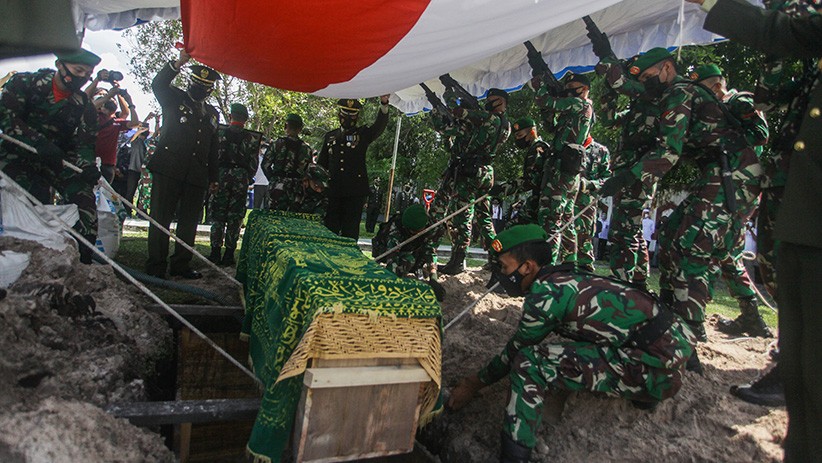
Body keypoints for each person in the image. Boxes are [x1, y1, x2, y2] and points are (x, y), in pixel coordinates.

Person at [686, 0, 821, 458]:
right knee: (772, 273)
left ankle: (779, 353)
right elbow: (778, 85)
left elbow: (757, 111)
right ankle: (771, 341)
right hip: (784, 185)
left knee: (727, 256)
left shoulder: (737, 102)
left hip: (750, 187)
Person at [447, 224, 695, 463]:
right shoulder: (566, 278)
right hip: (669, 349)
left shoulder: (545, 294)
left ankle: (514, 454)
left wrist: (472, 384)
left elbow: (515, 350)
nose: (501, 274)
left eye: (504, 267)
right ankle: (644, 390)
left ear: (527, 267)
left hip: (659, 368)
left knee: (530, 362)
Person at [599, 48, 761, 364]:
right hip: (718, 171)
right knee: (672, 237)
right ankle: (670, 312)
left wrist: (623, 179)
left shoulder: (680, 90)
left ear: (667, 68)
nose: (646, 85)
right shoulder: (675, 92)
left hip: (736, 174)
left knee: (692, 247)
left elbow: (668, 151)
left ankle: (689, 337)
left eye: (648, 77)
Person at [690, 63, 772, 338]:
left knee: (705, 246)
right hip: (731, 187)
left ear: (715, 86)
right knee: (727, 253)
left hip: (737, 189)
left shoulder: (738, 100)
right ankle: (752, 317)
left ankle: (694, 319)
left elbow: (761, 132)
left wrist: (727, 133)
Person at [0, 48, 102, 264]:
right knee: (32, 197)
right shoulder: (24, 83)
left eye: (88, 73)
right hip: (15, 157)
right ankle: (26, 260)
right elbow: (7, 120)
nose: (82, 77)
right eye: (78, 70)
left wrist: (88, 167)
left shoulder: (84, 106)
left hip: (56, 161)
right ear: (60, 66)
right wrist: (37, 141)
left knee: (84, 199)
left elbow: (84, 143)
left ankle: (82, 262)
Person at [145, 48, 220, 279]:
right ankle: (156, 266)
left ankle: (181, 264)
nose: (201, 89)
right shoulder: (174, 98)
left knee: (189, 224)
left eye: (205, 87)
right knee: (161, 218)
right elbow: (157, 84)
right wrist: (178, 63)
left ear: (210, 91)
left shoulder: (212, 113)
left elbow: (213, 148)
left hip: (196, 175)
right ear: (190, 82)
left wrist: (213, 177)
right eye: (197, 84)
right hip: (168, 169)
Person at [428, 88, 511, 275]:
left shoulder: (489, 119)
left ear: (502, 102)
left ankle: (458, 260)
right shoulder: (505, 124)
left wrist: (447, 94)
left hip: (470, 172)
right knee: (484, 218)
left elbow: (457, 114)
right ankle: (497, 257)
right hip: (485, 171)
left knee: (462, 216)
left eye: (492, 100)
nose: (488, 102)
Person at [595, 54, 660, 289]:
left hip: (638, 174)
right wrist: (607, 87)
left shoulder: (657, 98)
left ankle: (621, 286)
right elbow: (609, 120)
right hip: (627, 174)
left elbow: (622, 84)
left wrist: (613, 72)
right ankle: (639, 283)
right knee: (631, 230)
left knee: (623, 233)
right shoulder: (637, 109)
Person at [534, 73, 593, 265]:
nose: (568, 90)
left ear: (584, 89)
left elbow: (543, 100)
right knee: (566, 221)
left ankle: (546, 266)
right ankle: (569, 264)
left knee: (551, 219)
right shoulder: (574, 110)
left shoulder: (580, 104)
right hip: (563, 169)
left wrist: (541, 86)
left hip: (562, 171)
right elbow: (552, 129)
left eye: (573, 87)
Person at [318, 96, 390, 239]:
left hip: (354, 192)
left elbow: (379, 127)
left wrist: (384, 104)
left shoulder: (362, 135)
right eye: (345, 114)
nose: (348, 118)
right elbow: (322, 165)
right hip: (333, 191)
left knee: (350, 232)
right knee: (330, 230)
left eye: (352, 115)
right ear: (339, 115)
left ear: (357, 117)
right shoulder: (330, 136)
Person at [208, 103, 259, 266]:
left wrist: (213, 177)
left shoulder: (219, 133)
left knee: (218, 214)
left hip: (221, 175)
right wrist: (246, 177)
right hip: (240, 178)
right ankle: (229, 254)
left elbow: (212, 156)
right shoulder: (251, 138)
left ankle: (215, 252)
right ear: (245, 119)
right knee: (235, 216)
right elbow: (253, 163)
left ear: (230, 117)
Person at [377, 204, 445, 301]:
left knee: (418, 257)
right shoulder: (396, 228)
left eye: (415, 231)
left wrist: (433, 278)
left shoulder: (432, 227)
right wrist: (390, 284)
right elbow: (392, 258)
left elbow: (430, 251)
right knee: (408, 260)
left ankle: (416, 268)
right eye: (411, 231)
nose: (412, 233)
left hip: (415, 250)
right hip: (395, 253)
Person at [88, 71, 141, 183]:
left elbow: (134, 121)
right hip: (89, 161)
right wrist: (106, 93)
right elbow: (89, 103)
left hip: (108, 166)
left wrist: (124, 97)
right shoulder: (92, 115)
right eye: (100, 95)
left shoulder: (115, 122)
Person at [262, 113, 316, 209]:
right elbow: (308, 171)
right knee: (291, 219)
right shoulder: (306, 149)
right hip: (296, 189)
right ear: (300, 129)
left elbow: (265, 165)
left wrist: (273, 179)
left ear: (286, 126)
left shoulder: (277, 144)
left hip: (277, 186)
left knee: (272, 218)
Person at [574, 137, 611, 271]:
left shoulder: (601, 151)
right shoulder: (565, 145)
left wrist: (590, 184)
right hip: (564, 203)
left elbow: (607, 178)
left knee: (584, 240)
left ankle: (584, 272)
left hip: (585, 206)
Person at [508, 117, 549, 226]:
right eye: (516, 136)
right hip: (537, 201)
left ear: (532, 132)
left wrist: (507, 187)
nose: (517, 139)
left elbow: (531, 180)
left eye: (520, 135)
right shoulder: (535, 148)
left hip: (542, 203)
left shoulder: (537, 149)